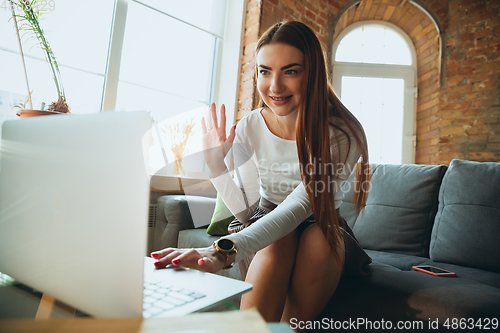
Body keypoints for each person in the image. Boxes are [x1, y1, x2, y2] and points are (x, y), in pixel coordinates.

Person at [151, 21, 371, 326]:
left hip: (320, 223)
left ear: (313, 74)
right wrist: (216, 165)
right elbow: (247, 212)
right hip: (265, 227)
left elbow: (301, 205)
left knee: (320, 238)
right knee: (278, 240)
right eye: (265, 71)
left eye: (290, 71)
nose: (275, 86)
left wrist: (222, 252)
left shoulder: (342, 134)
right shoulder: (250, 127)